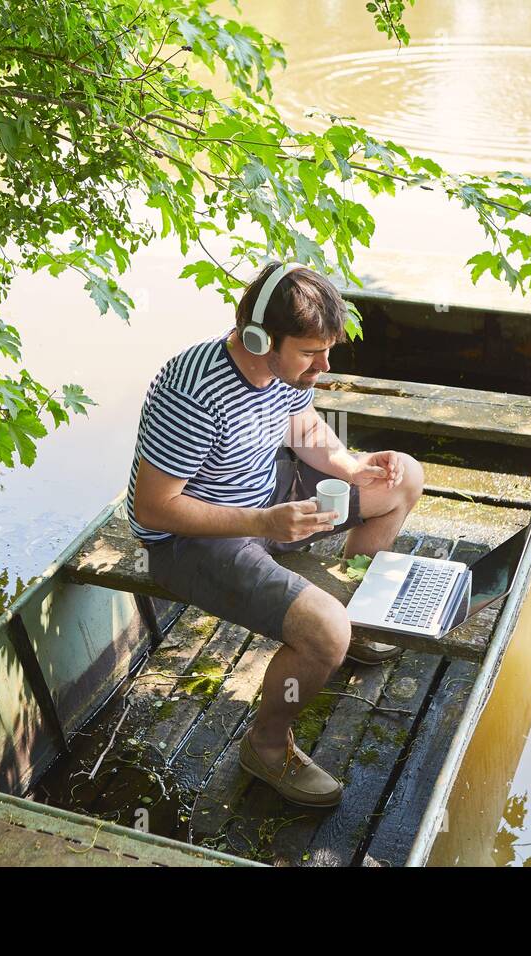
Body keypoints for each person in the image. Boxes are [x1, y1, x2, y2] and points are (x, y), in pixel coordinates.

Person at [126, 261, 424, 807]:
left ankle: (358, 617)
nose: (324, 365)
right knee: (324, 631)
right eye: (311, 352)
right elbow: (156, 507)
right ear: (260, 338)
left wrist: (353, 466)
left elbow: (303, 427)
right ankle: (266, 746)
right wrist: (263, 523)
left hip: (265, 496)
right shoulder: (191, 390)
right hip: (191, 540)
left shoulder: (286, 375)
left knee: (404, 477)